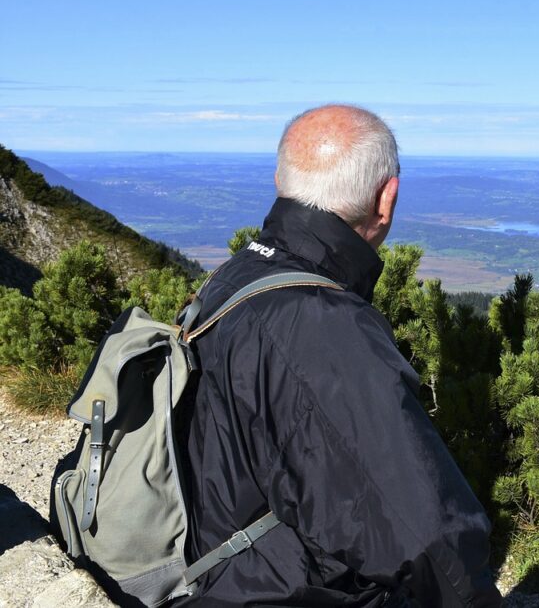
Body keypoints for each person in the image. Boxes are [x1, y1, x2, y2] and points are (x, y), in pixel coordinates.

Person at [175, 105, 502, 607]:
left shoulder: (237, 275)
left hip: (211, 561)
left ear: (281, 179)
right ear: (386, 197)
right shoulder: (324, 326)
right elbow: (428, 538)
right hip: (256, 591)